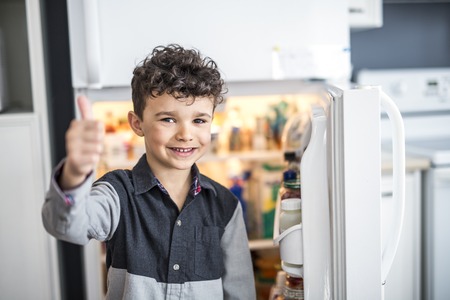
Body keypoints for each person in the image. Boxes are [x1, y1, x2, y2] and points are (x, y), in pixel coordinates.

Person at [42, 44, 256, 299]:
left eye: (199, 120)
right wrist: (75, 173)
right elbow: (66, 226)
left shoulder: (226, 205)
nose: (185, 134)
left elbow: (240, 291)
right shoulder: (116, 194)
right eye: (168, 119)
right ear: (137, 123)